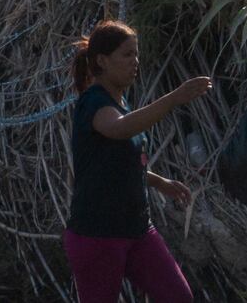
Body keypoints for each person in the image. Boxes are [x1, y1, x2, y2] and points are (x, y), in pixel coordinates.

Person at [64, 20, 212, 303]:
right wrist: (174, 98)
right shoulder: (93, 102)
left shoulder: (120, 102)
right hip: (97, 235)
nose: (135, 61)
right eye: (127, 54)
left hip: (137, 230)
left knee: (178, 297)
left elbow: (121, 164)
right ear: (102, 61)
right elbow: (119, 128)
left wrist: (161, 182)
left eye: (136, 54)